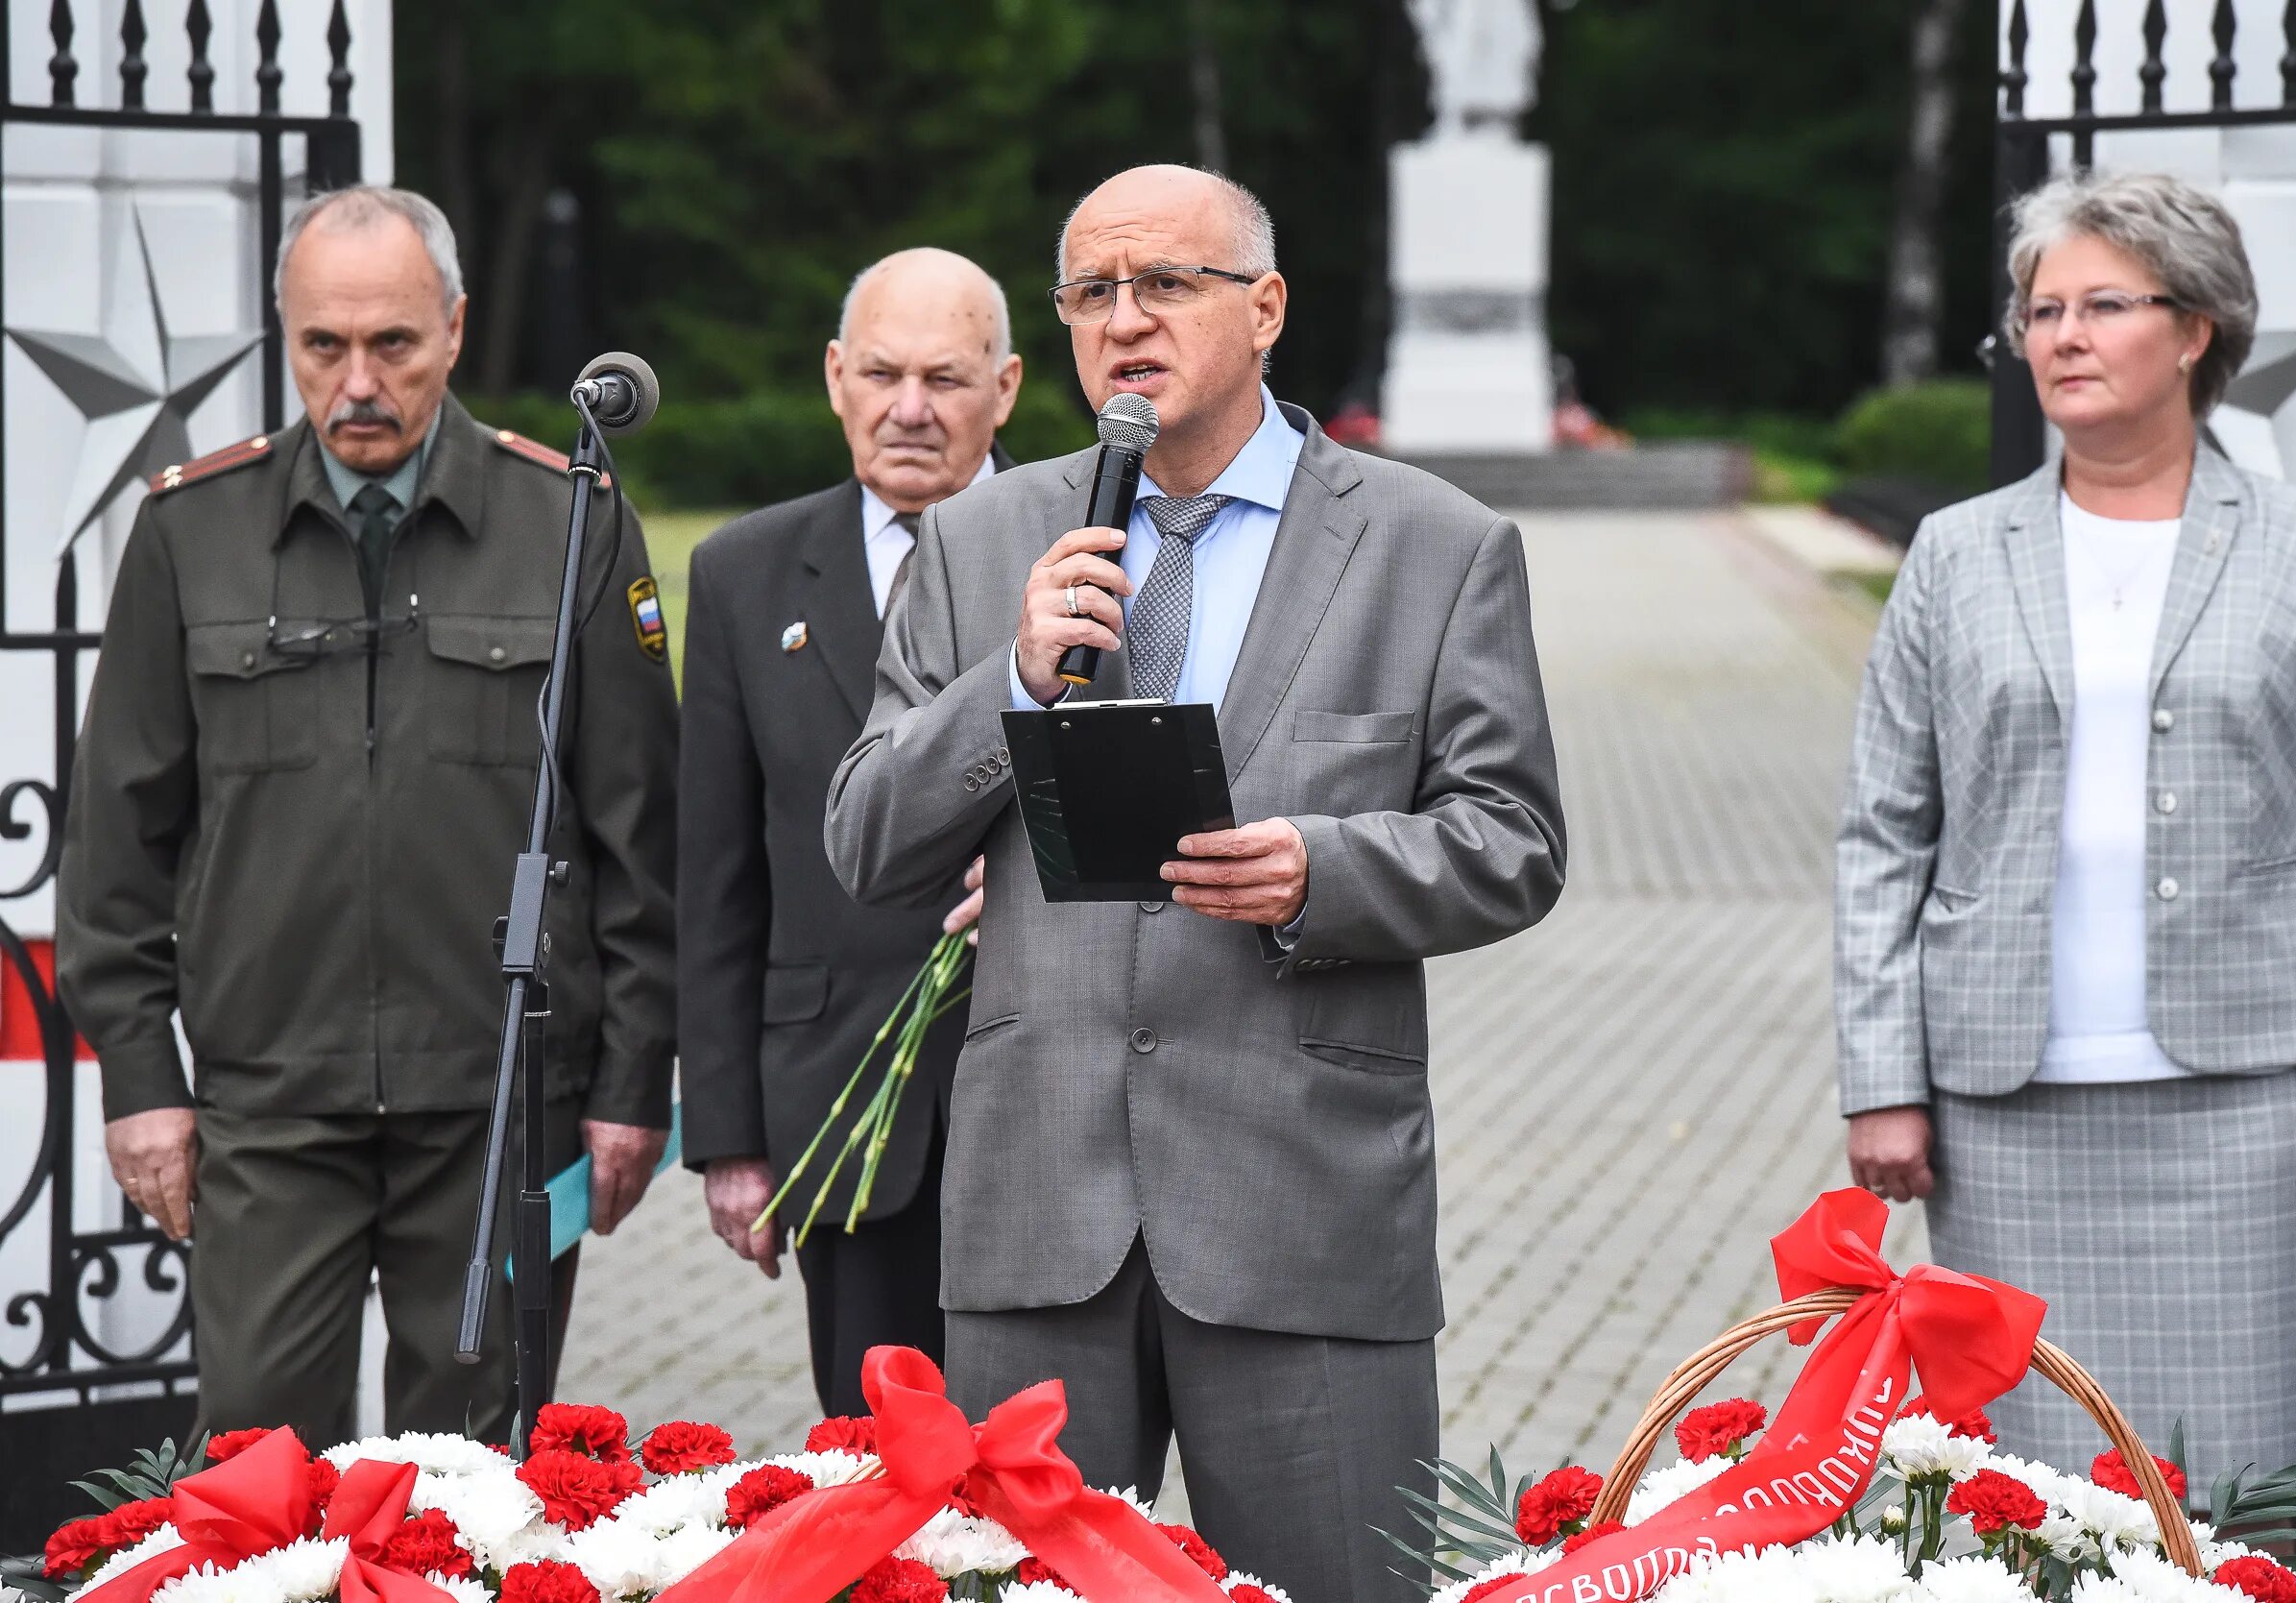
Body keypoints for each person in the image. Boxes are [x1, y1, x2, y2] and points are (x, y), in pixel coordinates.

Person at [824, 164, 1567, 1601]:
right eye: (1094, 292)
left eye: (1166, 284)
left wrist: (1320, 869)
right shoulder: (985, 543)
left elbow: (1514, 837)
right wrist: (1014, 685)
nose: (1127, 320)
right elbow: (864, 833)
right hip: (1040, 1213)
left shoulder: (1435, 546)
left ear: (1267, 308)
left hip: (1301, 1213)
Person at [56, 185, 679, 1446]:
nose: (357, 381)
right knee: (257, 1479)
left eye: (392, 343)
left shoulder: (572, 524)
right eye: (321, 346)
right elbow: (116, 850)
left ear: (453, 328)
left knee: (471, 1497)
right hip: (270, 1107)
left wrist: (630, 1085)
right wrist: (139, 1083)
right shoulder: (191, 532)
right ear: (286, 335)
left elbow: (643, 842)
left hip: (500, 1103)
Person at [1837, 169, 2296, 1489]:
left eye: (2103, 305)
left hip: (2245, 1104)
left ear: (2196, 330)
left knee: (2237, 1479)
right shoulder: (1955, 555)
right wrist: (1882, 1076)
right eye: (2040, 311)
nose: (2062, 336)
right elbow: (1881, 833)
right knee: (2014, 1481)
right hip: (2002, 1106)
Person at [678, 248, 1018, 1418]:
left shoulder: (1095, 550)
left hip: (1046, 1106)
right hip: (842, 1107)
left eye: (946, 378)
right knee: (880, 1474)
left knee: (1054, 1482)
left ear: (1007, 389)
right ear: (835, 376)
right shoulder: (741, 573)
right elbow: (715, 872)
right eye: (881, 373)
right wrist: (729, 1137)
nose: (910, 409)